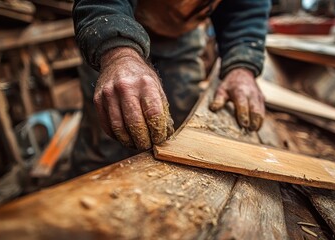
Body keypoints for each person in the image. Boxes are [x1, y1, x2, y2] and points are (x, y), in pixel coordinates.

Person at [71, 0, 270, 175]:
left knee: (183, 130)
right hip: (113, 19)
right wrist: (117, 54)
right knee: (110, 125)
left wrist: (242, 65)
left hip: (180, 32)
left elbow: (247, 7)